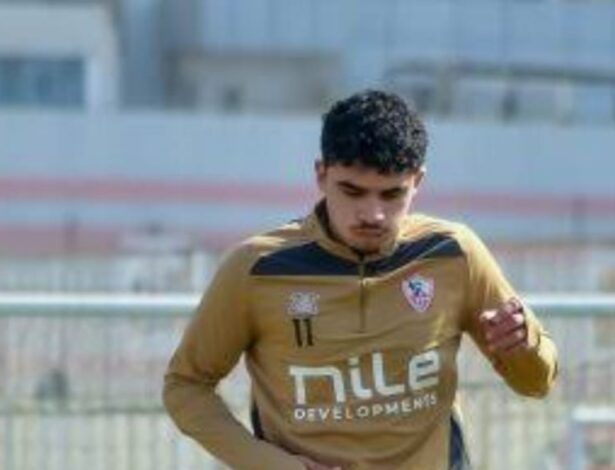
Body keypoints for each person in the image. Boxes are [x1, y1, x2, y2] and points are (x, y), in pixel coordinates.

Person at [163, 89, 558, 470]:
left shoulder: (454, 252)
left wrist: (523, 347)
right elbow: (185, 386)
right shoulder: (257, 268)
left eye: (392, 194)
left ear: (418, 182)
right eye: (352, 191)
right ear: (321, 175)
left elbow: (537, 382)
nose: (373, 214)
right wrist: (272, 465)